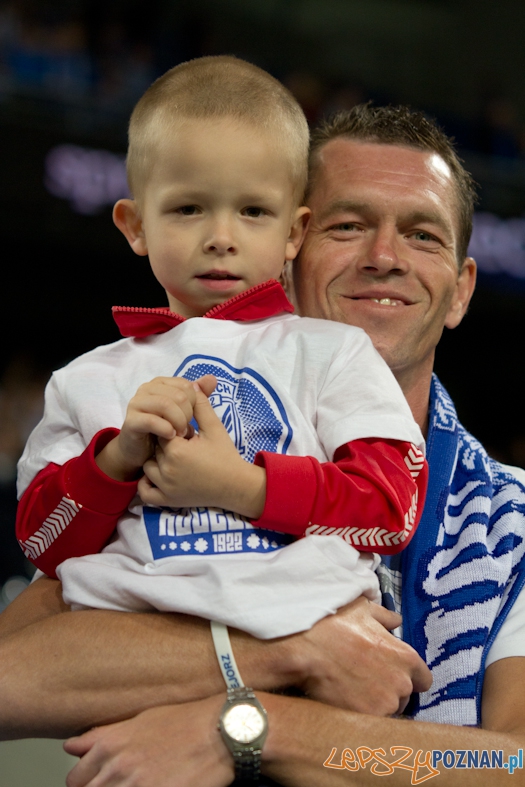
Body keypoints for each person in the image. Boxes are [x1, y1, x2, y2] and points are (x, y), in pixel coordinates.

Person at [1, 104, 524, 786]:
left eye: (422, 235)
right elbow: (15, 676)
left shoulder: (512, 519)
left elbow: (507, 762)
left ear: (458, 292)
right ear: (288, 249)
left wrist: (245, 727)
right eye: (348, 225)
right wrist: (290, 649)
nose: (384, 258)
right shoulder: (180, 446)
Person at [15, 57, 426, 643]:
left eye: (253, 211)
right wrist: (115, 462)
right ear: (134, 225)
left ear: (293, 233)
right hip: (135, 668)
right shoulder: (87, 380)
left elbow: (392, 509)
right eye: (188, 208)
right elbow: (42, 543)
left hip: (309, 663)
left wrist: (241, 487)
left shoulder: (333, 352)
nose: (221, 237)